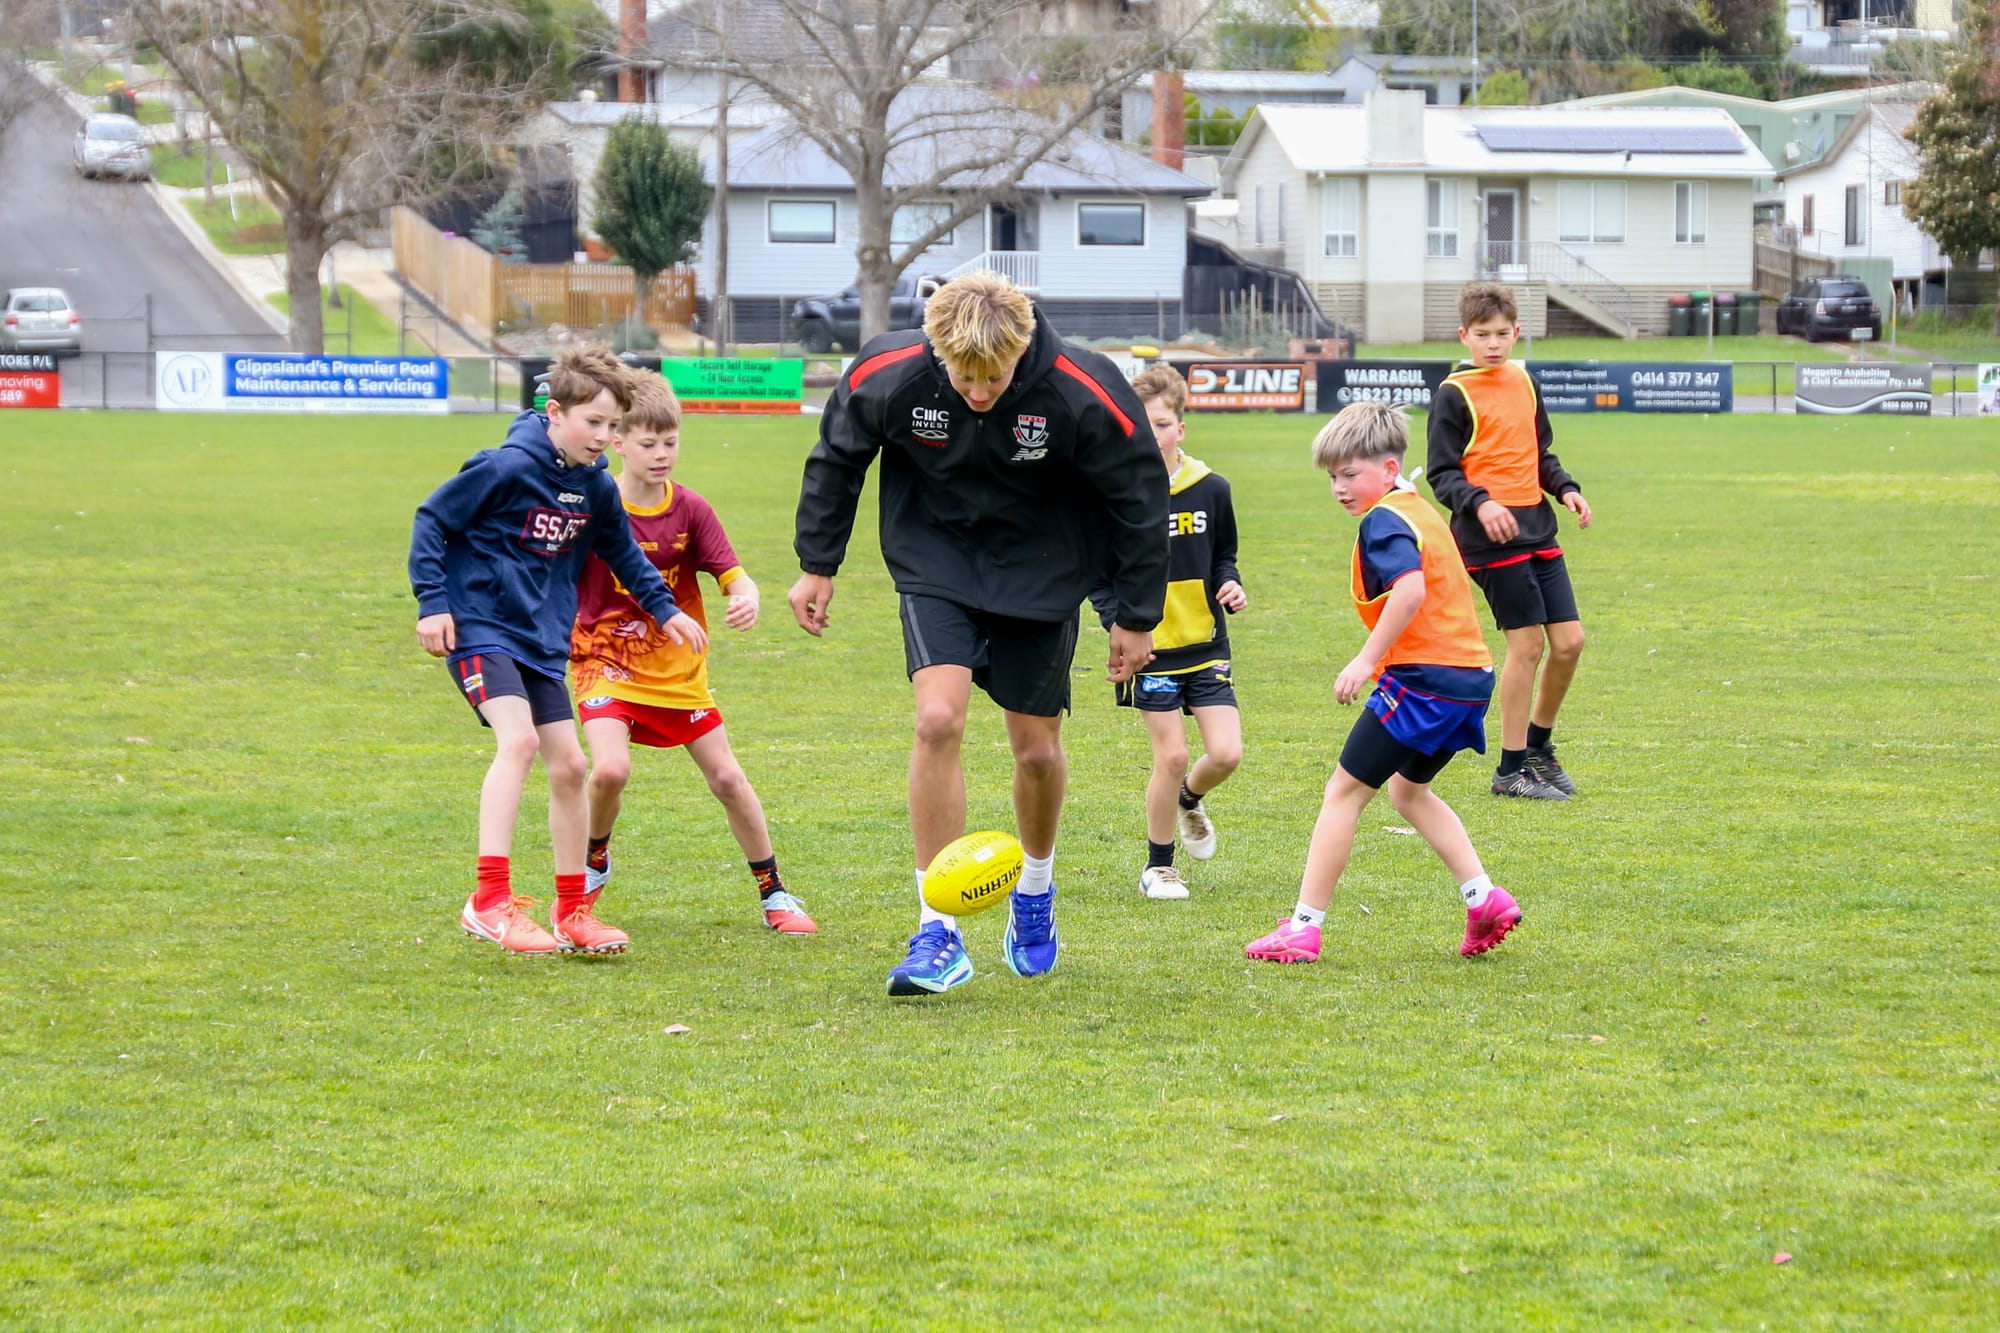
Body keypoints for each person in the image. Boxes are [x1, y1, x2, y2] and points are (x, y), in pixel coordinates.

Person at [788, 271, 1169, 996]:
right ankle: (937, 931)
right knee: (938, 719)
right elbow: (838, 455)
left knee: (1035, 749)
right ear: (936, 347)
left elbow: (1139, 497)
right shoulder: (888, 372)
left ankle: (1034, 888)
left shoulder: (1082, 387)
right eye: (964, 377)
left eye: (994, 377)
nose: (979, 392)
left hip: (1044, 569)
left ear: (1022, 347)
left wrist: (1134, 613)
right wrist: (818, 564)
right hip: (935, 560)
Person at [409, 347, 708, 956]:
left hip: (541, 641)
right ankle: (488, 900)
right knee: (516, 743)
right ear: (555, 412)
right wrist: (432, 602)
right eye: (592, 422)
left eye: (612, 426)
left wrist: (667, 609)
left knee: (571, 767)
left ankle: (572, 909)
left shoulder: (595, 487)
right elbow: (431, 520)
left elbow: (623, 553)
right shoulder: (504, 468)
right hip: (479, 626)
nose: (603, 436)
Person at [1246, 402, 1520, 965]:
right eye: (1333, 478)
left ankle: (1303, 927)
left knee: (1343, 792)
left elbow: (1412, 589)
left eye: (1351, 474)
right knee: (1407, 791)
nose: (1341, 489)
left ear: (1390, 469)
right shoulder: (1418, 510)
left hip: (1425, 680)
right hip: (1470, 678)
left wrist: (1367, 661)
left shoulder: (1385, 519)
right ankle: (1483, 897)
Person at [570, 377, 817, 936]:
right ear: (618, 444)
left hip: (677, 672)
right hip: (603, 661)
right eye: (648, 443)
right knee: (610, 768)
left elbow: (735, 575)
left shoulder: (691, 509)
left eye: (671, 443)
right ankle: (593, 861)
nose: (661, 455)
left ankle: (774, 892)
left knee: (728, 779)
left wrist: (746, 597)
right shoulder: (592, 505)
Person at [1426, 282, 1593, 801]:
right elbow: (1441, 473)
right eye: (1483, 335)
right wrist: (1482, 502)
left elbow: (1538, 451)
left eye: (1502, 334)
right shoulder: (1454, 394)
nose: (1493, 344)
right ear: (1464, 336)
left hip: (1538, 527)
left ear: (1517, 333)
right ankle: (1511, 769)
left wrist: (1565, 488)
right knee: (1528, 645)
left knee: (1570, 643)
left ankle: (1539, 747)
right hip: (1487, 538)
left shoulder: (1524, 382)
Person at [1089, 365, 1245, 901]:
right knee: (1172, 755)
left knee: (1226, 754)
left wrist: (1230, 584)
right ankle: (1159, 867)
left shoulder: (1212, 489)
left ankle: (1188, 799)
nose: (1152, 434)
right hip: (1150, 651)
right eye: (1142, 423)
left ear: (1181, 427)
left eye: (1162, 423)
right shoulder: (1113, 496)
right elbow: (1097, 573)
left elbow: (1223, 556)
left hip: (1206, 646)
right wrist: (1117, 624)